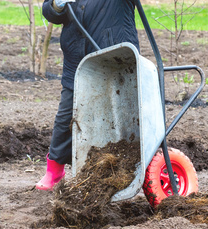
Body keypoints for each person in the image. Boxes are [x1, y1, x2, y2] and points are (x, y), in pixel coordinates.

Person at [36, 0, 140, 190]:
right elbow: (50, 13)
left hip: (113, 53)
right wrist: (56, 6)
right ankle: (54, 171)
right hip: (76, 56)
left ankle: (129, 167)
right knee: (67, 114)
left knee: (119, 112)